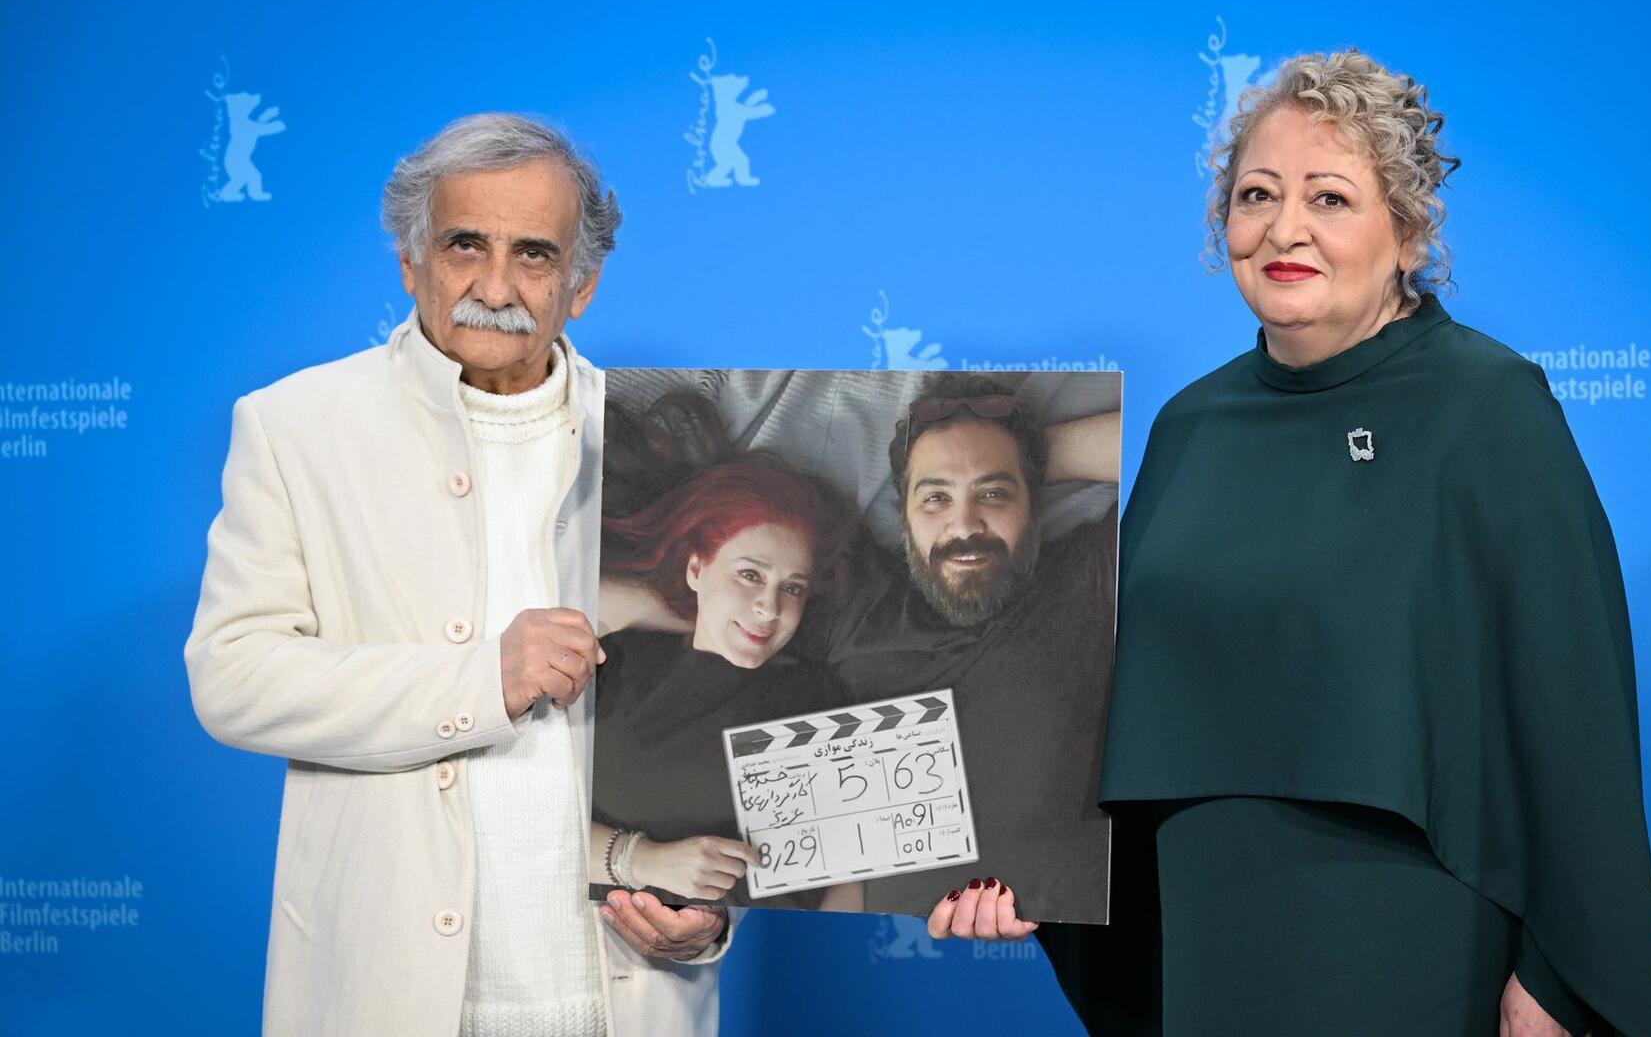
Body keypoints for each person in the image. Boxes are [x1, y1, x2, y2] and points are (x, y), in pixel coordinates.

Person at [932, 51, 1651, 1037]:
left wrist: (1556, 977)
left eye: (1330, 197)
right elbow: (1109, 707)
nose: (1286, 229)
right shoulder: (1191, 427)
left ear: (1408, 232)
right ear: (1222, 227)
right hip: (1203, 931)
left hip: (1403, 931)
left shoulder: (1487, 409)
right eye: (1257, 196)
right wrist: (1027, 866)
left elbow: (1573, 710)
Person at [185, 113, 732, 1037]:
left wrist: (708, 916)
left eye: (533, 255)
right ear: (410, 262)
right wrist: (482, 679)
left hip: (618, 990)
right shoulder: (296, 428)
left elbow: (727, 719)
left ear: (582, 285)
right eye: (463, 245)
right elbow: (232, 678)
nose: (493, 286)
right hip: (389, 988)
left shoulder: (663, 443)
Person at [829, 375, 1121, 924]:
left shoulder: (1088, 581)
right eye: (936, 496)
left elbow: (1197, 447)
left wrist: (1034, 452)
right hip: (859, 953)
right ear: (903, 514)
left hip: (1067, 948)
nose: (964, 524)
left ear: (1034, 500)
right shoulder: (851, 606)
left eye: (993, 494)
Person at [590, 454, 861, 911]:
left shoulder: (817, 697)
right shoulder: (620, 657)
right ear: (696, 569)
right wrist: (646, 860)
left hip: (755, 953)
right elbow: (528, 818)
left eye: (792, 588)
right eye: (750, 575)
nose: (770, 608)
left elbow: (850, 871)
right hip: (599, 940)